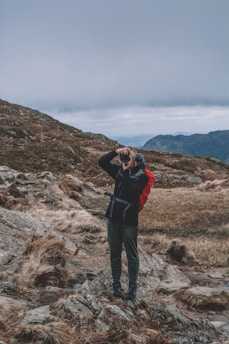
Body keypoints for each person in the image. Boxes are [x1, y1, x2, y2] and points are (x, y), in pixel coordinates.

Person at [98, 146, 150, 300]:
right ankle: (116, 284)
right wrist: (116, 151)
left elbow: (133, 190)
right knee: (115, 252)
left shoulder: (143, 176)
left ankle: (132, 286)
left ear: (137, 159)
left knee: (131, 254)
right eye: (126, 157)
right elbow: (102, 162)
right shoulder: (119, 170)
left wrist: (126, 171)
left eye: (130, 157)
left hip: (129, 220)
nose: (126, 160)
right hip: (113, 217)